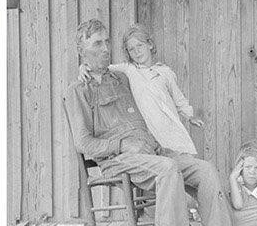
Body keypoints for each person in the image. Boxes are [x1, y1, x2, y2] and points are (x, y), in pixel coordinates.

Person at [66, 19, 249, 226]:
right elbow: (83, 143)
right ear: (81, 50)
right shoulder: (78, 90)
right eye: (97, 43)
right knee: (168, 169)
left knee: (206, 170)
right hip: (118, 158)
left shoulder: (122, 77)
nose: (106, 48)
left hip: (152, 151)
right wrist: (121, 144)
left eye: (107, 41)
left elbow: (151, 74)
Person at [78, 23, 203, 155]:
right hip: (150, 127)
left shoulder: (165, 72)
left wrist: (190, 115)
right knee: (163, 157)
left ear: (150, 44)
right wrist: (84, 67)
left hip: (168, 123)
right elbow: (103, 68)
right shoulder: (129, 69)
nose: (137, 52)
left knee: (183, 155)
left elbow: (178, 99)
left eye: (140, 46)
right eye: (131, 49)